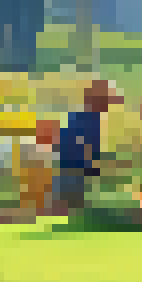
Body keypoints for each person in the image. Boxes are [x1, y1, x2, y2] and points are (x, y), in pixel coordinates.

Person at [55, 79, 121, 214]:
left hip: (74, 169)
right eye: (106, 100)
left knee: (72, 208)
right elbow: (80, 145)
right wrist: (91, 166)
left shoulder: (86, 117)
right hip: (74, 170)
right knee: (71, 208)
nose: (108, 105)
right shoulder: (87, 118)